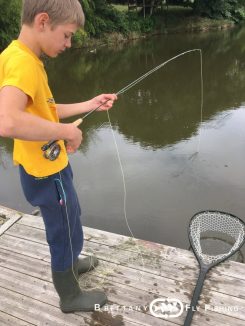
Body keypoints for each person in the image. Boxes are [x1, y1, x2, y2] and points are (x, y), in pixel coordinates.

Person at [0, 0, 117, 313]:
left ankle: (73, 262)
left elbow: (45, 111)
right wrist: (67, 133)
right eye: (66, 35)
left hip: (49, 168)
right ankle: (70, 296)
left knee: (71, 217)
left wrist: (88, 104)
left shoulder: (20, 56)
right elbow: (7, 121)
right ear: (42, 21)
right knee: (62, 231)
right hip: (46, 174)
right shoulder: (24, 64)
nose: (68, 43)